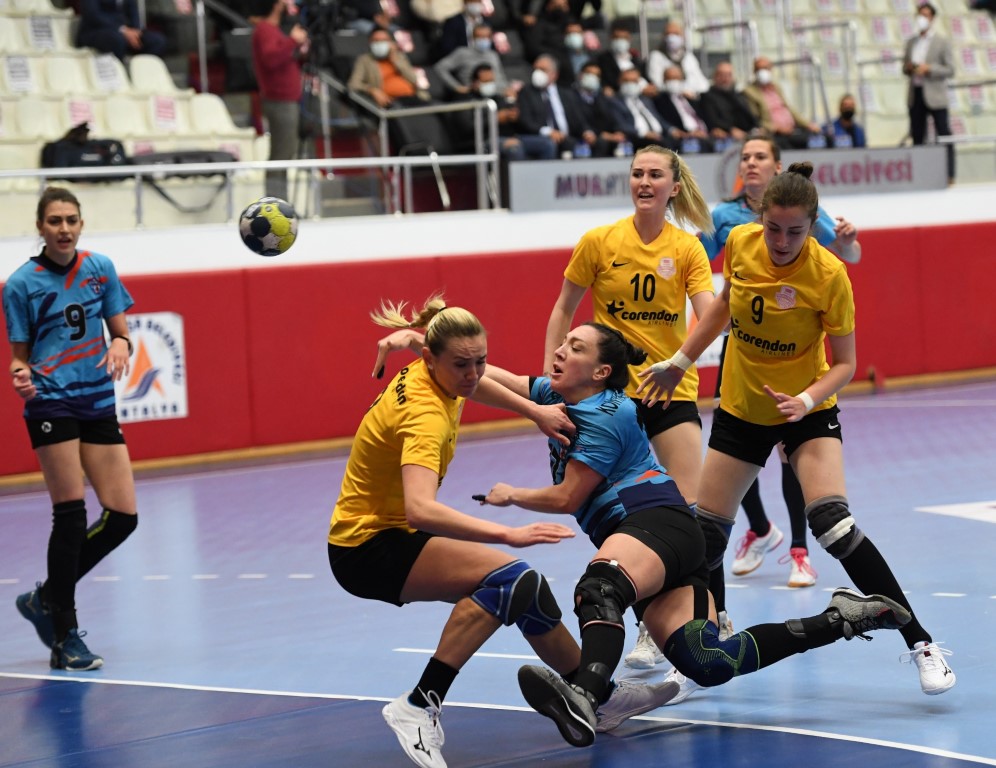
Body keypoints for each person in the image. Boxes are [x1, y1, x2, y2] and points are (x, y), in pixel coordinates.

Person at [476, 322, 911, 748]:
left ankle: (588, 697)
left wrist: (511, 495)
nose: (559, 350)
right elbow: (487, 378)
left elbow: (568, 497)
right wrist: (443, 353)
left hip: (654, 522)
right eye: (565, 343)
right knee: (707, 660)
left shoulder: (606, 414)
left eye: (575, 347)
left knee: (599, 588)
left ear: (600, 371)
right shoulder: (557, 395)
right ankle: (841, 619)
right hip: (656, 540)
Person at [637, 162, 957, 699]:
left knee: (832, 523)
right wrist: (679, 361)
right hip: (743, 407)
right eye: (774, 229)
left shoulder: (829, 275)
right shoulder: (741, 244)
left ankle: (920, 641)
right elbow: (722, 308)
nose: (782, 241)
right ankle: (709, 635)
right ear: (760, 220)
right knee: (704, 538)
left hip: (806, 408)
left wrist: (805, 400)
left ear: (813, 226)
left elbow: (846, 363)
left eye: (795, 231)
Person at [335, 296, 676, 768]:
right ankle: (418, 704)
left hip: (384, 532)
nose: (473, 374)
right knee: (508, 579)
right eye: (463, 365)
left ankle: (601, 700)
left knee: (527, 590)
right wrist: (507, 534)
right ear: (431, 358)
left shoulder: (434, 369)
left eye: (480, 361)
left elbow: (476, 382)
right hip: (367, 546)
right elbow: (420, 510)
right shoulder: (425, 416)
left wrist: (533, 410)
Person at [542, 145, 716, 671]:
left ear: (673, 187)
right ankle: (649, 626)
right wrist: (555, 383)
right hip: (615, 402)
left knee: (690, 514)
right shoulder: (599, 242)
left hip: (669, 392)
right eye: (637, 173)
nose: (644, 181)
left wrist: (679, 364)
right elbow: (563, 309)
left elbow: (711, 314)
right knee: (631, 519)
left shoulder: (687, 248)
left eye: (654, 174)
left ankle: (712, 619)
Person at [5, 187, 139, 672]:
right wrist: (20, 375)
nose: (64, 229)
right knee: (70, 515)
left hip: (96, 400)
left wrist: (121, 342)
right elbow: (19, 358)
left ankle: (46, 596)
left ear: (81, 224)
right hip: (51, 401)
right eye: (55, 221)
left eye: (71, 220)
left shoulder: (99, 268)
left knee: (123, 517)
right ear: (40, 227)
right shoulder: (21, 284)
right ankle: (65, 637)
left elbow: (120, 330)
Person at [250, 0, 309, 201]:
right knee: (282, 153)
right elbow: (270, 59)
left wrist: (298, 48)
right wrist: (292, 41)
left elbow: (281, 58)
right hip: (279, 100)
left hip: (285, 99)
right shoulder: (265, 30)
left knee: (285, 152)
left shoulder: (272, 30)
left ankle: (278, 202)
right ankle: (275, 204)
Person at [903, 1, 955, 183]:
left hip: (935, 94)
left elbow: (950, 69)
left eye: (926, 15)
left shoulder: (942, 42)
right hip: (916, 93)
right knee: (918, 135)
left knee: (944, 134)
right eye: (920, 15)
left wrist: (929, 68)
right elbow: (904, 67)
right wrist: (910, 68)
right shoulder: (911, 42)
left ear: (932, 18)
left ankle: (949, 174)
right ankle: (920, 175)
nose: (922, 19)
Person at [515, 54, 597, 158]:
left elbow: (579, 120)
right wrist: (548, 132)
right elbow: (525, 121)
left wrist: (587, 132)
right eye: (535, 69)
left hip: (567, 138)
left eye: (543, 70)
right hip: (542, 138)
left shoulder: (567, 94)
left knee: (592, 143)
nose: (537, 73)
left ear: (554, 74)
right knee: (550, 144)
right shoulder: (527, 92)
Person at [743, 57, 824, 150]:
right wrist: (777, 128)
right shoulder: (749, 92)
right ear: (754, 71)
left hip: (792, 130)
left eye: (765, 68)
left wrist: (808, 125)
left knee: (821, 139)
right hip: (774, 134)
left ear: (770, 70)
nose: (762, 72)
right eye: (759, 69)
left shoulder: (776, 87)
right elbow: (756, 120)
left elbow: (788, 109)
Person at [448, 63, 525, 160]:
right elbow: (467, 128)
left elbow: (515, 121)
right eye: (486, 81)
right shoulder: (464, 99)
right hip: (479, 141)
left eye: (491, 81)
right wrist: (494, 119)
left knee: (542, 144)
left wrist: (512, 105)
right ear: (475, 82)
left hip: (505, 137)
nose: (490, 84)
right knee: (514, 148)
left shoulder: (497, 98)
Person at [609, 67, 678, 151]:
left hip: (658, 135)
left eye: (634, 81)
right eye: (627, 81)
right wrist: (644, 133)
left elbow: (658, 119)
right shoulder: (615, 101)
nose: (630, 84)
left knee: (678, 140)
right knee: (663, 145)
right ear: (619, 82)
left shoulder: (645, 99)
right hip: (638, 137)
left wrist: (672, 130)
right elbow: (621, 125)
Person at [433, 24, 509, 98]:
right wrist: (457, 87)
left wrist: (506, 89)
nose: (483, 40)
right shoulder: (462, 53)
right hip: (473, 96)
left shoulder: (493, 55)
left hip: (496, 94)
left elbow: (501, 77)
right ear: (473, 38)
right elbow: (440, 67)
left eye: (486, 37)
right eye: (480, 37)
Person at [76, 0, 167, 61]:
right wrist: (123, 30)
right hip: (96, 31)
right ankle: (119, 75)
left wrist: (135, 31)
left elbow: (133, 11)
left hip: (123, 32)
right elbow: (92, 15)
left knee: (156, 41)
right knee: (116, 40)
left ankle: (141, 75)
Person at [654, 65, 714, 153]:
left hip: (704, 133)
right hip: (684, 136)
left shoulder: (690, 98)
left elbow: (705, 116)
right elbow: (663, 120)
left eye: (676, 78)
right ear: (664, 80)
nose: (673, 82)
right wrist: (689, 132)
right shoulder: (660, 100)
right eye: (670, 78)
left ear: (682, 80)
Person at [699, 61, 758, 149]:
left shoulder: (739, 96)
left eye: (728, 75)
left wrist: (757, 127)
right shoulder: (707, 97)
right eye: (722, 75)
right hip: (725, 138)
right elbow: (712, 120)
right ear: (715, 77)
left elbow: (750, 116)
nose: (725, 79)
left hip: (746, 134)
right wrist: (730, 130)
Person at [646, 20, 709, 96]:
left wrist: (690, 91)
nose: (671, 37)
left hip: (692, 97)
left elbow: (703, 85)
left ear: (683, 36)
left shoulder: (689, 57)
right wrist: (682, 90)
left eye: (676, 34)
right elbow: (657, 84)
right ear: (663, 36)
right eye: (668, 34)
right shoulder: (656, 56)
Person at [596, 20, 646, 91]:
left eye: (624, 38)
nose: (620, 41)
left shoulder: (635, 59)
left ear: (629, 39)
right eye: (617, 37)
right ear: (610, 38)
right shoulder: (603, 60)